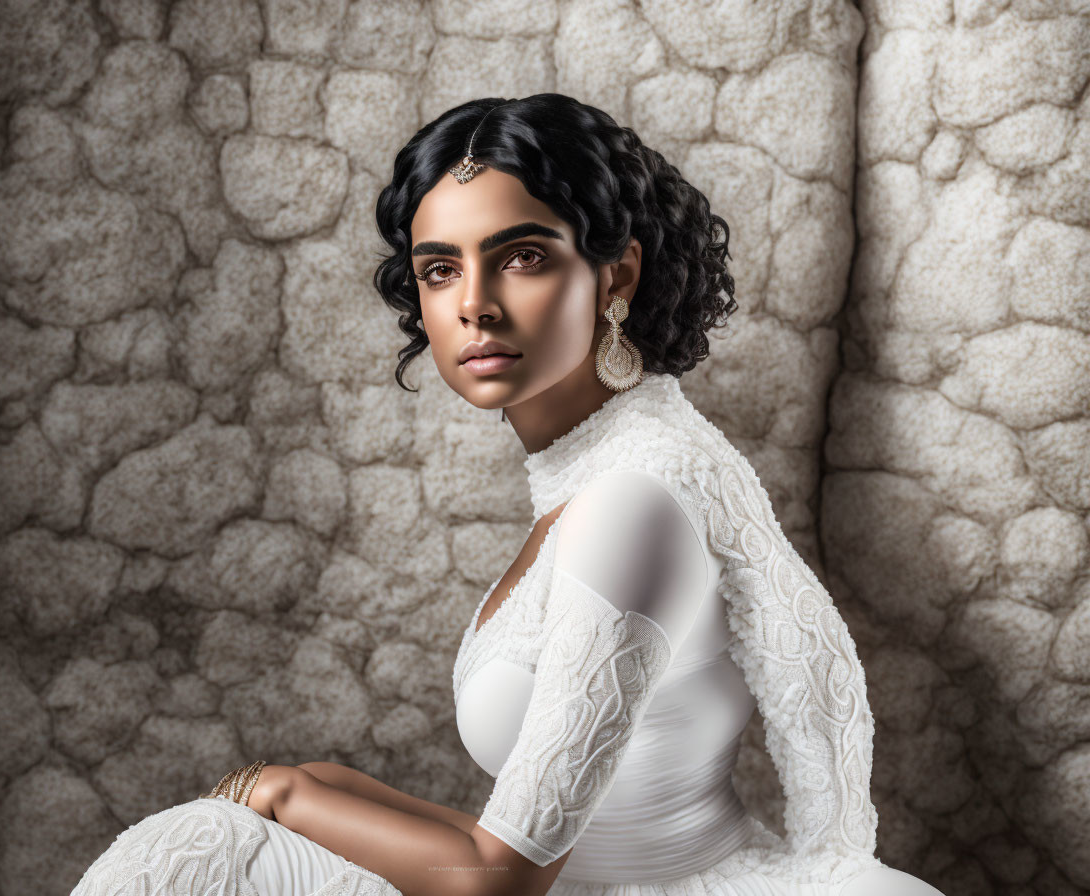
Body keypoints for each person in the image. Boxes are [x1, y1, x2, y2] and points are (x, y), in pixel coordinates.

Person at [71, 94, 945, 896]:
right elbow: (528, 846)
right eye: (440, 268)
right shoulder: (631, 461)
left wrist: (286, 793)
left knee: (200, 854)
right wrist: (313, 786)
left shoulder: (632, 500)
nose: (475, 306)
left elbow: (502, 879)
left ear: (617, 276)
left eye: (521, 257)